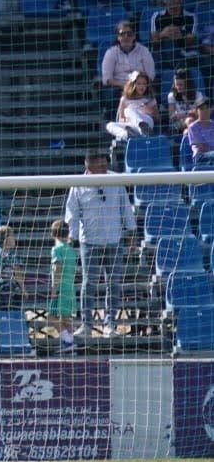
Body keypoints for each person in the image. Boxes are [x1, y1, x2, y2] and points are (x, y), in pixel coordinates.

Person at [64, 150, 137, 338]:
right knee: (89, 284)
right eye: (100, 166)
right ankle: (86, 325)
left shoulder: (115, 181)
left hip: (114, 240)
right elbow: (72, 214)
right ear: (89, 167)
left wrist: (130, 235)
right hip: (89, 242)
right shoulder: (78, 185)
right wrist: (71, 237)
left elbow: (126, 208)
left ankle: (110, 325)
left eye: (106, 165)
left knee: (113, 283)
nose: (105, 169)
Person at [147, 0, 198, 77]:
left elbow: (190, 42)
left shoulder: (191, 17)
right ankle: (179, 72)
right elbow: (153, 41)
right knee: (167, 41)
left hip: (183, 54)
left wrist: (179, 35)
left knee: (205, 60)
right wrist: (163, 34)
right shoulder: (157, 16)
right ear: (164, 0)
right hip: (161, 56)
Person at [47, 218, 80, 352]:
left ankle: (67, 341)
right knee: (66, 317)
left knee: (51, 316)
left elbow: (57, 269)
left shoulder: (56, 249)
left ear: (53, 234)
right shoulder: (71, 250)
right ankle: (70, 344)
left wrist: (54, 289)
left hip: (61, 287)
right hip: (69, 287)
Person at [106, 70, 158, 141]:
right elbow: (121, 119)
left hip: (147, 123)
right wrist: (127, 120)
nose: (142, 86)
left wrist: (149, 111)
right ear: (133, 84)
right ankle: (127, 135)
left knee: (128, 110)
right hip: (131, 126)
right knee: (110, 125)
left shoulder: (150, 98)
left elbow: (157, 118)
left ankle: (143, 127)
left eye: (144, 84)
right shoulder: (125, 99)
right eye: (139, 84)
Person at [167, 67, 207, 132]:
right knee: (190, 120)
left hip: (195, 121)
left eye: (180, 85)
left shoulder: (198, 95)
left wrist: (184, 113)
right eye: (176, 85)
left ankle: (187, 134)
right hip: (177, 123)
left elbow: (201, 114)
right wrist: (190, 113)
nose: (178, 87)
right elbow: (171, 116)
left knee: (187, 130)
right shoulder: (171, 95)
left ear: (187, 84)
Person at [183, 95, 214, 165]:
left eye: (207, 108)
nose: (205, 110)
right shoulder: (192, 127)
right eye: (202, 109)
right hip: (200, 157)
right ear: (197, 111)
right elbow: (201, 147)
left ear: (211, 109)